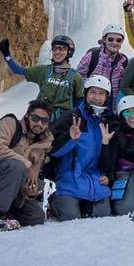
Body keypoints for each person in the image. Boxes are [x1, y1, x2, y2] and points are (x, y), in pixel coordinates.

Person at [0, 99, 53, 231]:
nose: (39, 123)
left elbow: (31, 178)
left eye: (44, 121)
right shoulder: (10, 124)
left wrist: (30, 190)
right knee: (17, 166)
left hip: (14, 192)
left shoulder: (43, 144)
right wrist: (26, 163)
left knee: (36, 217)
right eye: (35, 118)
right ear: (27, 116)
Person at [48, 75, 114, 220]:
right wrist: (70, 139)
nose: (96, 97)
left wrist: (108, 176)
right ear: (85, 94)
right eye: (93, 92)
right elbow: (51, 151)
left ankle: (84, 206)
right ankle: (55, 201)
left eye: (101, 93)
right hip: (69, 177)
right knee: (71, 217)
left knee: (103, 215)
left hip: (95, 179)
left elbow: (109, 159)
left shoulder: (105, 122)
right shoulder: (71, 117)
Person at [0, 34, 82, 127]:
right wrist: (7, 55)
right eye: (55, 48)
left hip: (61, 123)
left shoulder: (75, 77)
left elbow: (79, 101)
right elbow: (18, 70)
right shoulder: (44, 70)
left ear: (69, 52)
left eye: (62, 49)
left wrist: (75, 121)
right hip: (39, 118)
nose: (57, 52)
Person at [75, 24, 130, 93]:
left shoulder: (124, 61)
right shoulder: (92, 55)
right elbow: (77, 78)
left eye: (118, 40)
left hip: (114, 102)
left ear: (122, 42)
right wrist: (93, 86)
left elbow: (126, 83)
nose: (114, 42)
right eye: (110, 39)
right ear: (104, 39)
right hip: (93, 100)